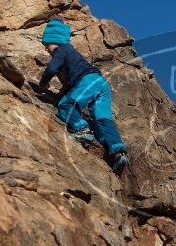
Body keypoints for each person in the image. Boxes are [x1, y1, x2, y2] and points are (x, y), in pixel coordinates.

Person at [38, 17, 128, 172]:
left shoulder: (61, 50)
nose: (46, 49)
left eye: (47, 45)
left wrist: (44, 82)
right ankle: (118, 152)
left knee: (67, 105)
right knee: (102, 119)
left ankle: (81, 130)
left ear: (55, 41)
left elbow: (52, 68)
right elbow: (69, 87)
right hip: (100, 83)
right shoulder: (71, 56)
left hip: (88, 81)